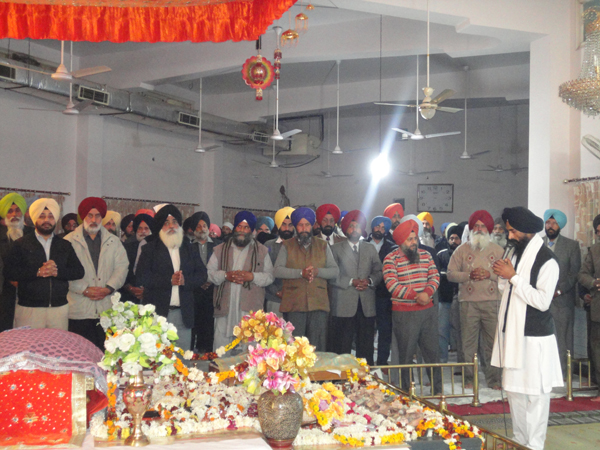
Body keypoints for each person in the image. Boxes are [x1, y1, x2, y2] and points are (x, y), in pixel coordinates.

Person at [491, 207, 562, 450]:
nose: (509, 236)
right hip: (513, 335)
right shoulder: (516, 254)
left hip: (535, 339)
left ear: (527, 231)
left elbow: (542, 301)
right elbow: (508, 291)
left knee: (535, 396)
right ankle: (520, 441)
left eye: (513, 231)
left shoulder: (548, 261)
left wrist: (513, 277)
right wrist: (504, 276)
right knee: (515, 393)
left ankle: (534, 445)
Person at [4, 199, 84, 330]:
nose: (47, 220)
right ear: (35, 218)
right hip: (29, 309)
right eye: (42, 216)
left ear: (55, 219)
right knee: (28, 344)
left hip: (59, 309)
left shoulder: (64, 245)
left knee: (58, 343)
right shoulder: (21, 244)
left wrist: (57, 272)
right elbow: (9, 272)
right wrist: (37, 271)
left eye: (51, 216)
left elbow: (79, 271)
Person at [137, 205, 207, 351]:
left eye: (174, 222)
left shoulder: (190, 248)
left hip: (183, 314)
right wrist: (169, 281)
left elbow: (202, 274)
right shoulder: (150, 249)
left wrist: (185, 281)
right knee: (157, 358)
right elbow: (142, 276)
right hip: (158, 314)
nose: (171, 226)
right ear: (160, 227)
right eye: (166, 223)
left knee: (182, 358)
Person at [384, 218, 441, 393]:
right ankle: (408, 393)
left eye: (415, 238)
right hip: (404, 314)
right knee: (406, 355)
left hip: (427, 312)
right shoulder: (390, 259)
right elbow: (392, 285)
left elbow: (435, 276)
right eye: (410, 239)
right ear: (401, 241)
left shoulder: (426, 255)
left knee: (432, 354)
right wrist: (416, 296)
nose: (414, 242)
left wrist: (427, 293)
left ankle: (438, 391)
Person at [447, 210, 503, 389]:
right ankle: (469, 378)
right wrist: (468, 275)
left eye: (483, 226)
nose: (479, 229)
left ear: (489, 229)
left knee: (493, 343)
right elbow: (450, 274)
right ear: (471, 229)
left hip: (492, 302)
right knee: (467, 344)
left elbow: (508, 276)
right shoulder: (461, 250)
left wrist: (489, 274)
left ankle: (494, 379)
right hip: (468, 303)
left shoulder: (499, 251)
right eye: (476, 226)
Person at [64, 197, 129, 349]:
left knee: (106, 354)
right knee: (80, 354)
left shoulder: (114, 241)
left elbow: (122, 267)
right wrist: (84, 289)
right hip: (79, 310)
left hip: (107, 310)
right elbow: (64, 272)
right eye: (90, 215)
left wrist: (108, 288)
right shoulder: (68, 241)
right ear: (83, 217)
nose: (94, 220)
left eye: (98, 215)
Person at [208, 211, 274, 355]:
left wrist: (252, 276)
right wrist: (226, 275)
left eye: (246, 227)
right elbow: (209, 273)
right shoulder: (219, 249)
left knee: (249, 352)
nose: (242, 231)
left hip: (250, 311)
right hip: (225, 308)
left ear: (252, 230)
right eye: (239, 226)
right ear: (234, 228)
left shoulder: (262, 251)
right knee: (221, 351)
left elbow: (270, 276)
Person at [274, 207, 339, 351]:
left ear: (313, 225)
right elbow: (277, 270)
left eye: (307, 225)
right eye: (300, 225)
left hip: (318, 304)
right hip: (294, 304)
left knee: (317, 347)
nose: (304, 228)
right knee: (294, 348)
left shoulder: (323, 245)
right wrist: (300, 273)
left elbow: (335, 271)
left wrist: (317, 272)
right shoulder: (287, 245)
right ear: (296, 226)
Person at [329, 210, 382, 365]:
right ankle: (341, 377)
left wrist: (370, 281)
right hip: (343, 304)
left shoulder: (370, 248)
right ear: (346, 229)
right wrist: (351, 281)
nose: (354, 229)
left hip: (366, 304)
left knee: (366, 346)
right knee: (342, 345)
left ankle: (365, 376)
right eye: (351, 226)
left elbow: (378, 271)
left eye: (357, 226)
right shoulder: (335, 249)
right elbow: (332, 275)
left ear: (362, 229)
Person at [542, 208, 581, 378]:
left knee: (563, 340)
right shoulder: (538, 244)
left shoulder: (571, 246)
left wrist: (558, 291)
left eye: (554, 223)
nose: (550, 226)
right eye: (548, 222)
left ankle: (564, 375)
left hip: (562, 300)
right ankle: (545, 373)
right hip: (541, 300)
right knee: (542, 338)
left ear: (560, 226)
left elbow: (574, 274)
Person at [365, 215, 398, 365]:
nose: (380, 229)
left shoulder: (392, 247)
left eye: (383, 228)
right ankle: (367, 362)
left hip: (385, 295)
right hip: (365, 293)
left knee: (385, 330)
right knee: (366, 330)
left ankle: (382, 362)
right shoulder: (363, 244)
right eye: (377, 226)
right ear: (372, 227)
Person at [0, 193, 32, 332]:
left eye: (17, 210)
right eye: (10, 211)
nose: (14, 214)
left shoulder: (33, 234)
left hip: (29, 289)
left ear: (22, 212)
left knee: (27, 330)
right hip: (4, 290)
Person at [578, 213, 600, 400]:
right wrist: (594, 283)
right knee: (597, 350)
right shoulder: (594, 251)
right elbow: (582, 275)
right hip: (598, 309)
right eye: (598, 232)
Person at [189, 211, 217, 354]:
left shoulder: (218, 245)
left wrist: (209, 281)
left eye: (204, 225)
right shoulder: (188, 247)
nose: (202, 229)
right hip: (195, 290)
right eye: (198, 226)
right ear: (194, 229)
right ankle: (194, 351)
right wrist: (199, 282)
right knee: (195, 322)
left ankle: (209, 351)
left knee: (210, 322)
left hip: (213, 290)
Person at [437, 223, 464, 363]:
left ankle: (461, 362)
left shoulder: (465, 254)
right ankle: (442, 359)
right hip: (444, 299)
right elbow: (437, 275)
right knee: (442, 330)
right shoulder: (441, 254)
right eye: (451, 238)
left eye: (457, 238)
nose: (454, 241)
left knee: (460, 331)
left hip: (462, 298)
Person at [264, 206, 295, 317]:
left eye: (290, 225)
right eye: (283, 224)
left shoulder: (300, 246)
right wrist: (276, 292)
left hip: (296, 300)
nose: (287, 228)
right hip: (274, 298)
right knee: (274, 328)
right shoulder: (269, 245)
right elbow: (265, 272)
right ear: (278, 226)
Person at [121, 213, 154, 303]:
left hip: (151, 295)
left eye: (146, 228)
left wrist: (146, 291)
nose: (143, 231)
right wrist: (130, 288)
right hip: (129, 295)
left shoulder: (157, 248)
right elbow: (122, 270)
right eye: (140, 228)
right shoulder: (127, 247)